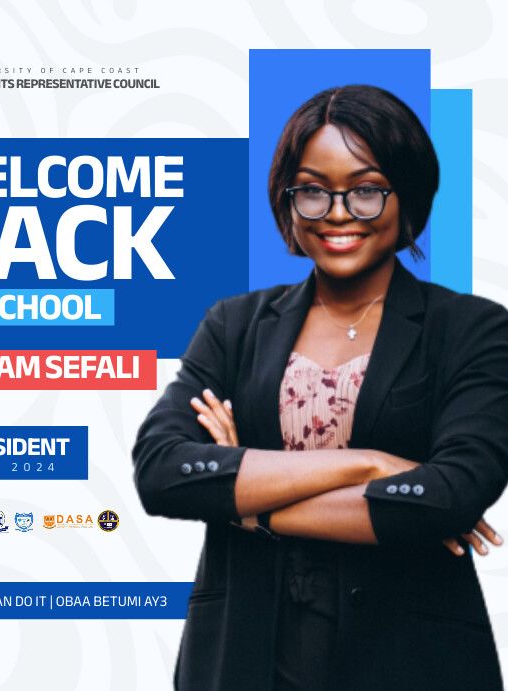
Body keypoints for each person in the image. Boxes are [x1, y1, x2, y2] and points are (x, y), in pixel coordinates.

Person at [132, 85, 508, 691]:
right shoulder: (233, 325)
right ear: (288, 199)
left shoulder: (471, 330)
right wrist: (371, 464)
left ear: (405, 193)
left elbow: (452, 494)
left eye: (365, 189)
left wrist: (248, 507)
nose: (337, 211)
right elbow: (164, 473)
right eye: (313, 190)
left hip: (410, 660)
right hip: (244, 657)